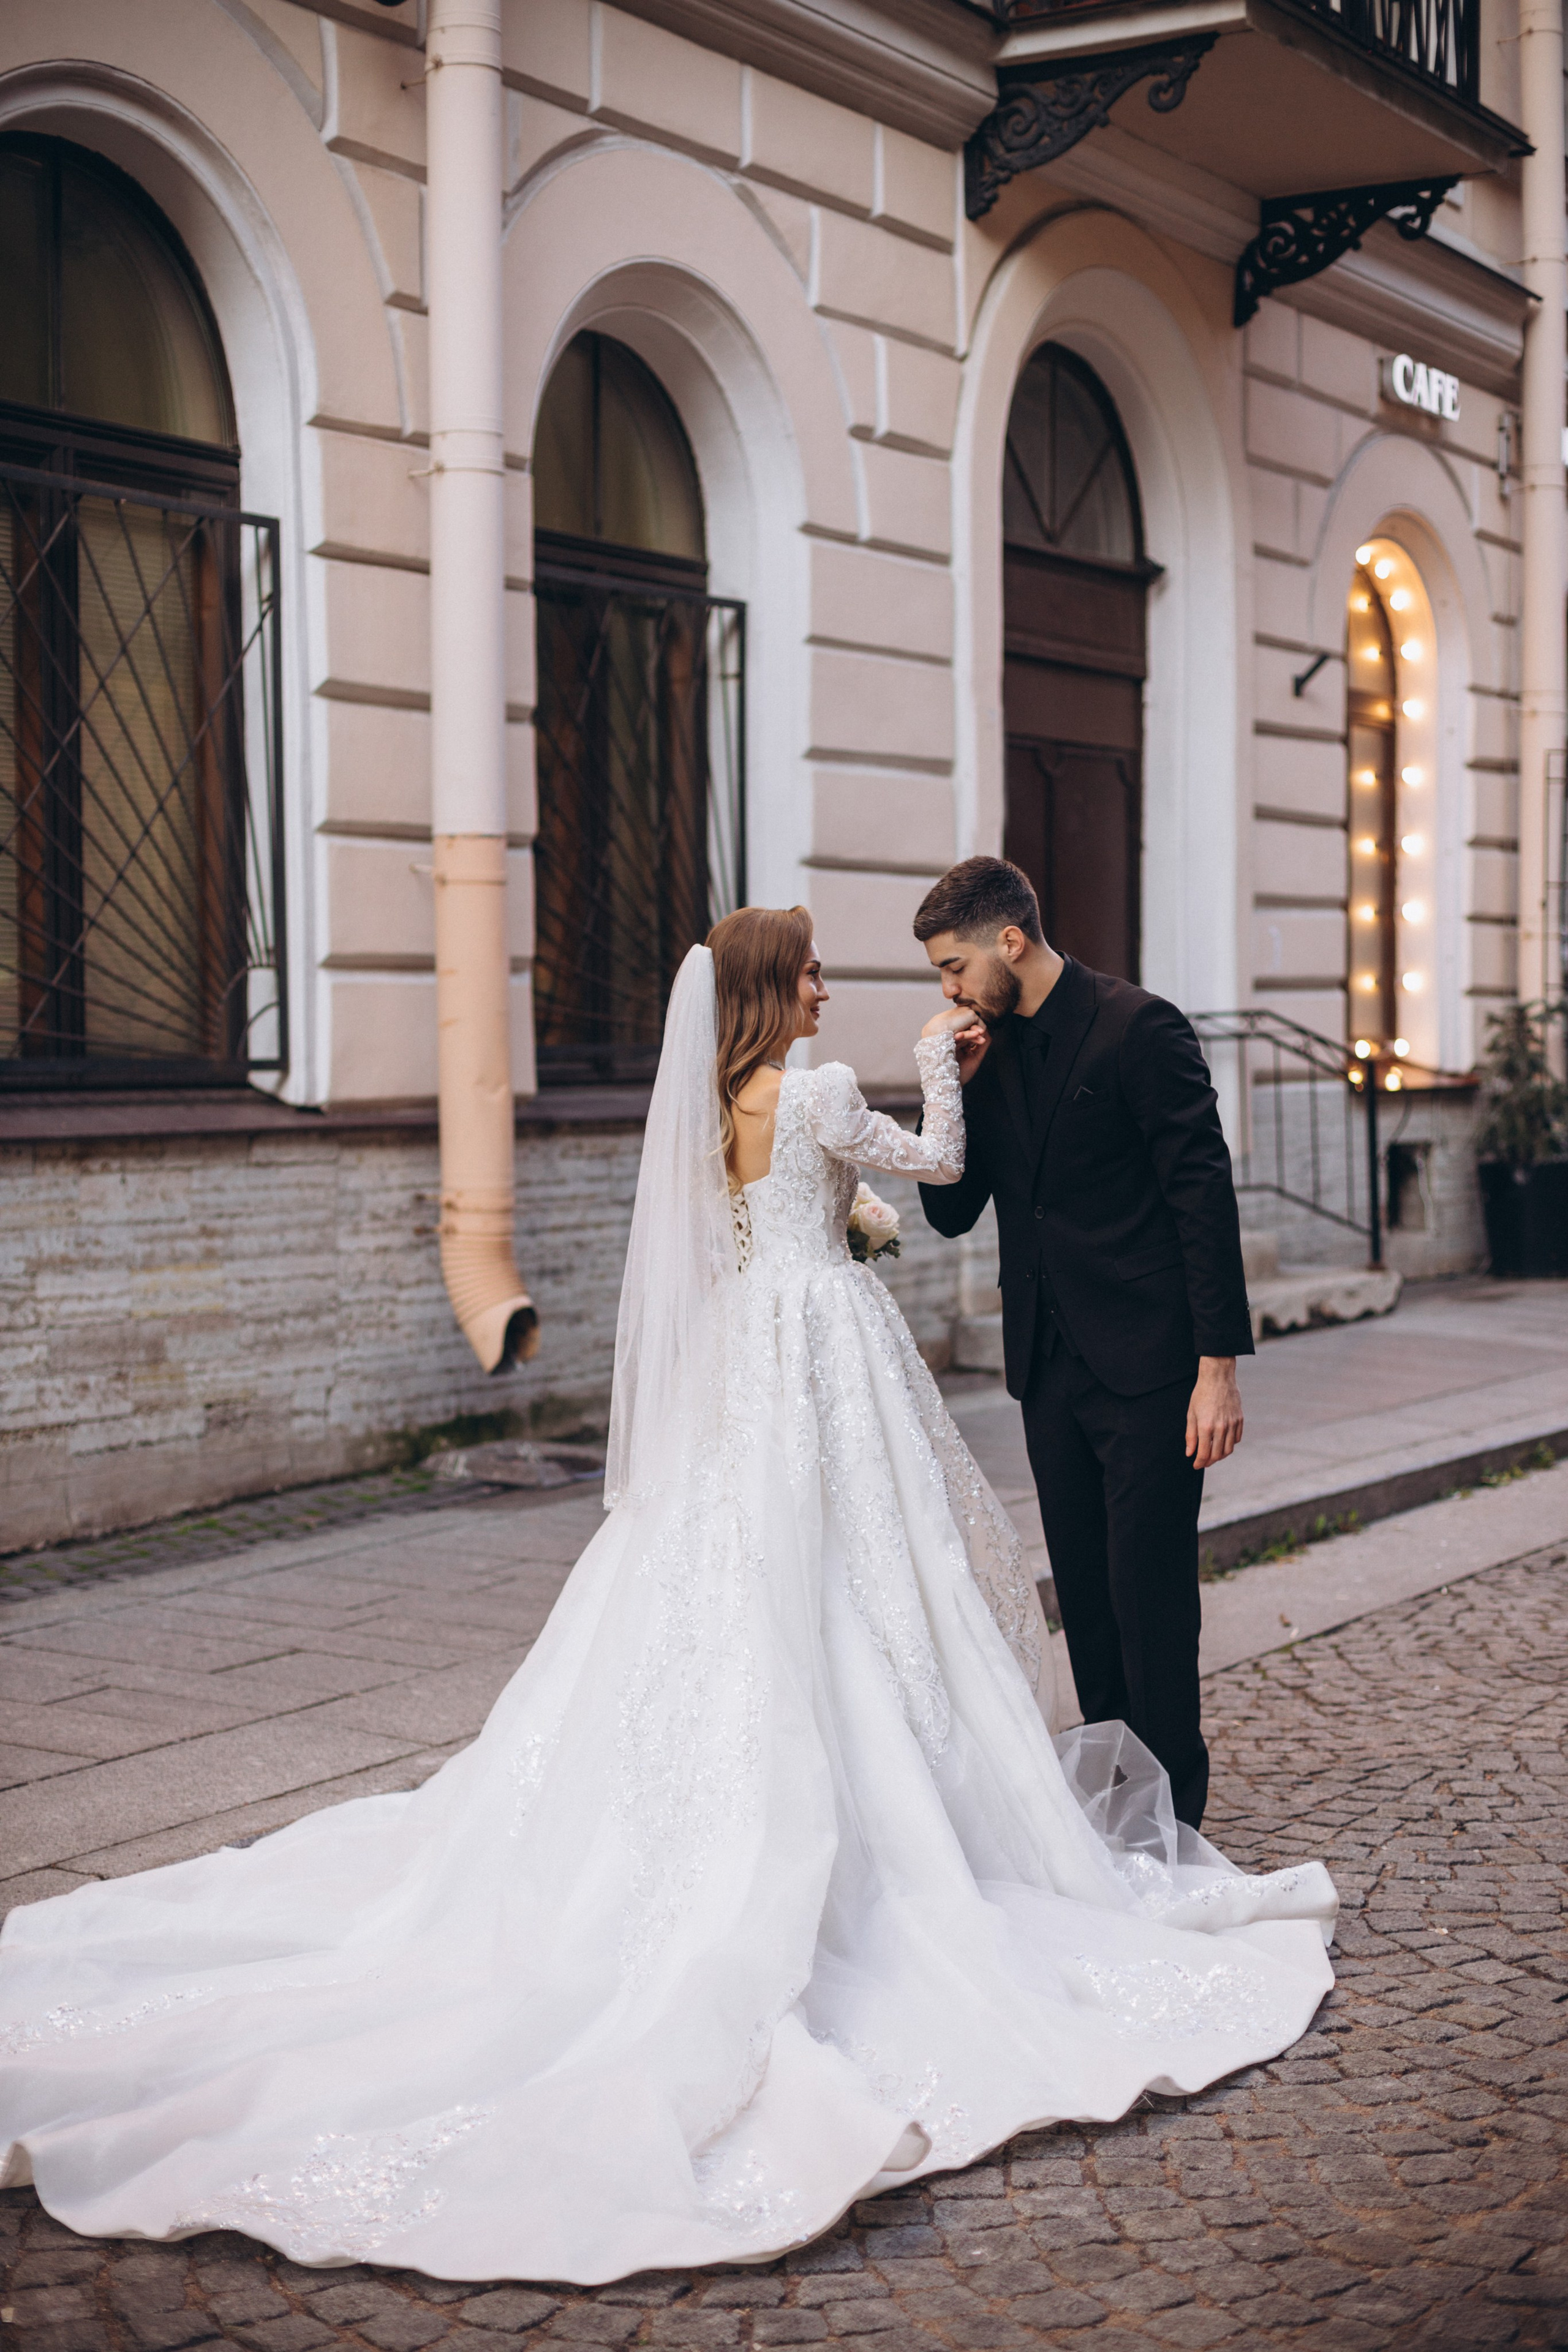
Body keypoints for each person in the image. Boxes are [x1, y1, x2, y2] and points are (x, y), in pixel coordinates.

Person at [0, 906, 1332, 2290]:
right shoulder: (814, 1087)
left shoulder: (712, 1102)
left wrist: (849, 1217)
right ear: (774, 987)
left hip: (756, 1370)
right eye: (812, 968)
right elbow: (934, 1164)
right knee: (868, 1593)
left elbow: (758, 1236)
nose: (833, 984)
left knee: (764, 1587)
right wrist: (941, 1062)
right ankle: (943, 1834)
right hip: (824, 1361)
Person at [913, 857, 1256, 1831]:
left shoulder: (1140, 1027)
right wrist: (950, 1083)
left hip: (1151, 1369)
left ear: (1008, 941)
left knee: (1151, 1601)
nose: (947, 990)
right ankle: (1116, 1808)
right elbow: (953, 1213)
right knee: (1089, 1604)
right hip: (1050, 1372)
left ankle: (1175, 1826)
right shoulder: (988, 1047)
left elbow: (1203, 1195)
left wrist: (1216, 1369)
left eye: (953, 966)